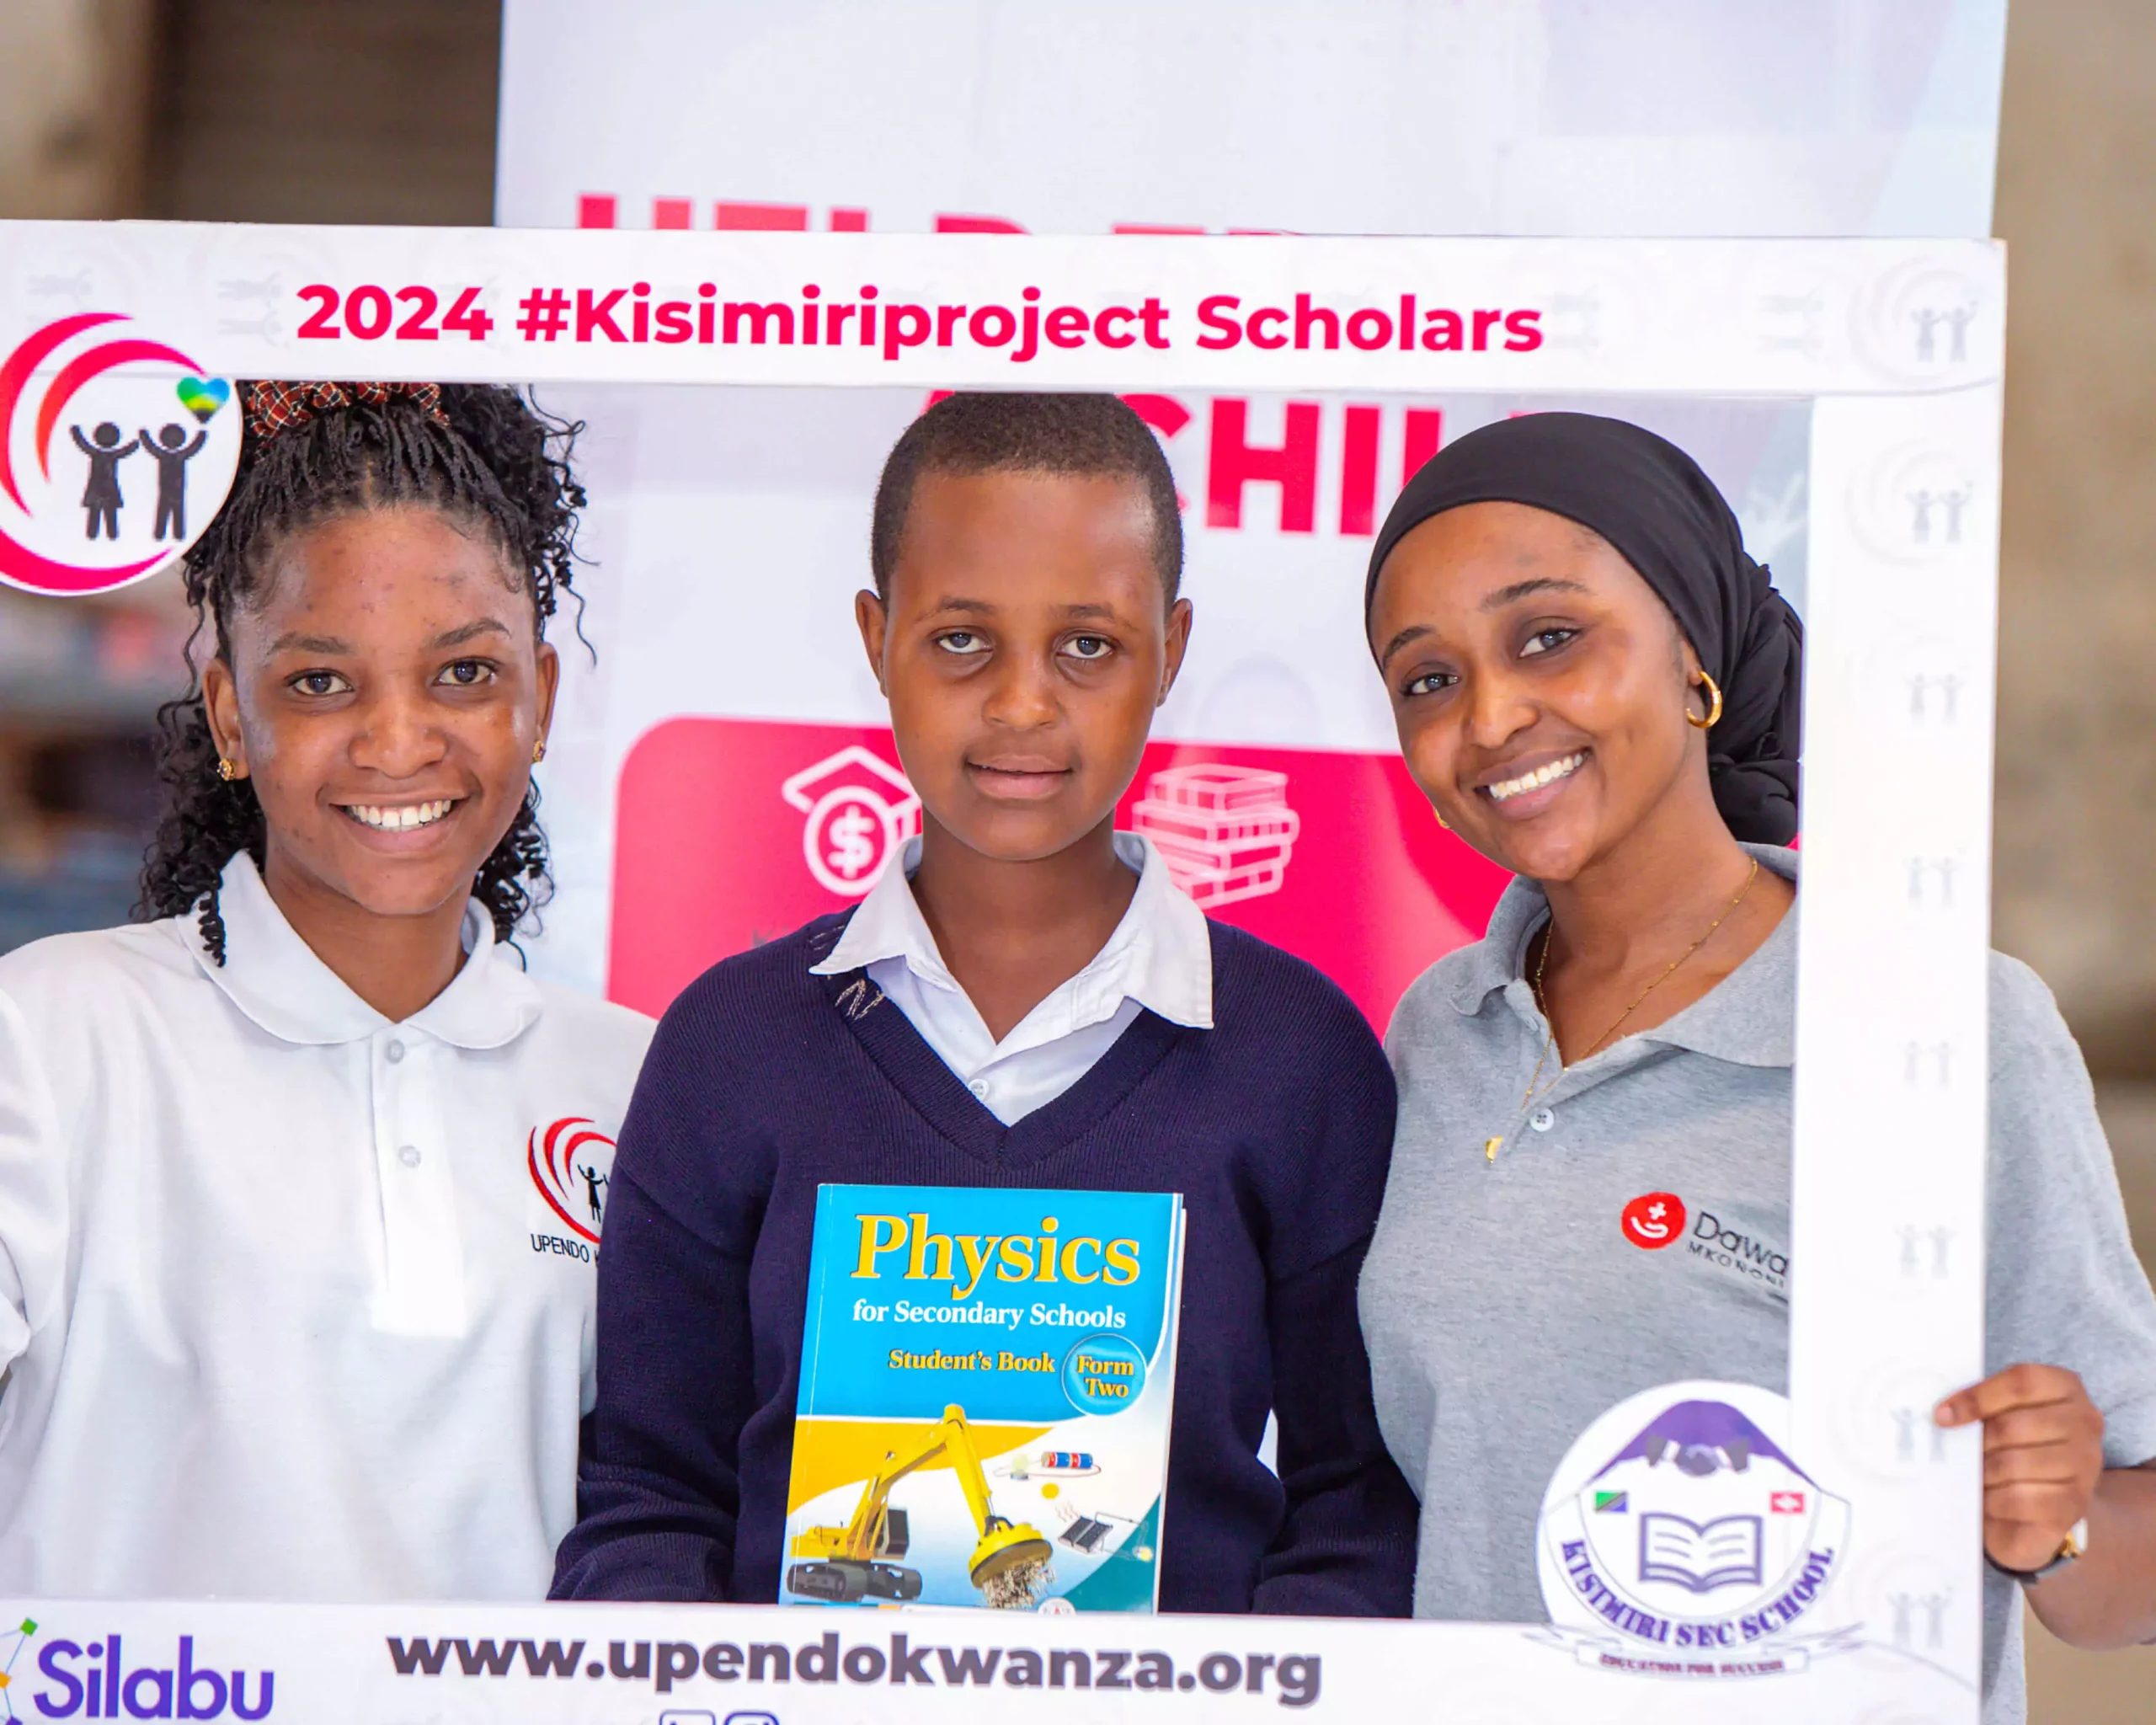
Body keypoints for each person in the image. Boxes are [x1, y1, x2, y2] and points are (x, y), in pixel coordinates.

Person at [551, 392, 1417, 1613]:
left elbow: (1360, 1507)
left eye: (1089, 645)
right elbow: (653, 1494)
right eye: (962, 640)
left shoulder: (1300, 1057)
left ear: (1169, 652)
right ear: (876, 636)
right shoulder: (731, 1045)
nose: (1021, 704)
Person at [1354, 411, 2156, 1721]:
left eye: (1549, 636)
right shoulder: (1438, 1034)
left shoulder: (1944, 1031)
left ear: (1693, 657)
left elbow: (2133, 1569)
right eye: (1427, 679)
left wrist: (2057, 1522)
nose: (1493, 714)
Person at [0, 379, 654, 1599]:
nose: (398, 741)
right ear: (229, 715)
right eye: (319, 683)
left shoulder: (642, 1083)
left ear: (543, 702)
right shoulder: (51, 1040)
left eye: (464, 674)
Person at [71, 419, 137, 538]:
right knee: (100, 513)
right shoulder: (107, 454)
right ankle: (98, 535)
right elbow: (83, 445)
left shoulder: (100, 453)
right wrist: (76, 433)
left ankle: (108, 535)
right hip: (103, 489)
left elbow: (84, 445)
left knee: (107, 513)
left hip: (105, 489)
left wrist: (76, 432)